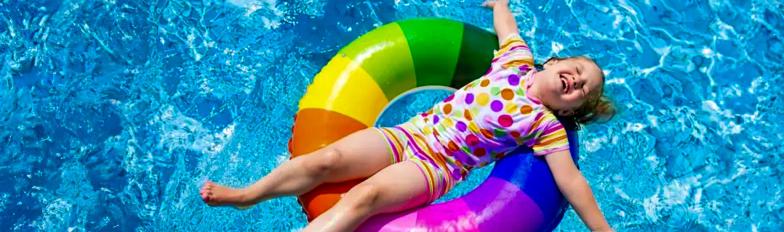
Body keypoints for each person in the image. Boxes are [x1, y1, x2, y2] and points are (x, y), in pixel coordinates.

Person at [200, 0, 615, 231]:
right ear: (556, 61)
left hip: (435, 167)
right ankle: (247, 196)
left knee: (366, 197)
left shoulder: (545, 127)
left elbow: (571, 181)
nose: (576, 83)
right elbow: (507, 28)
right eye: (577, 71)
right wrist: (500, 3)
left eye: (583, 92)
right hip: (405, 135)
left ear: (571, 109)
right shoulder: (516, 61)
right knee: (325, 160)